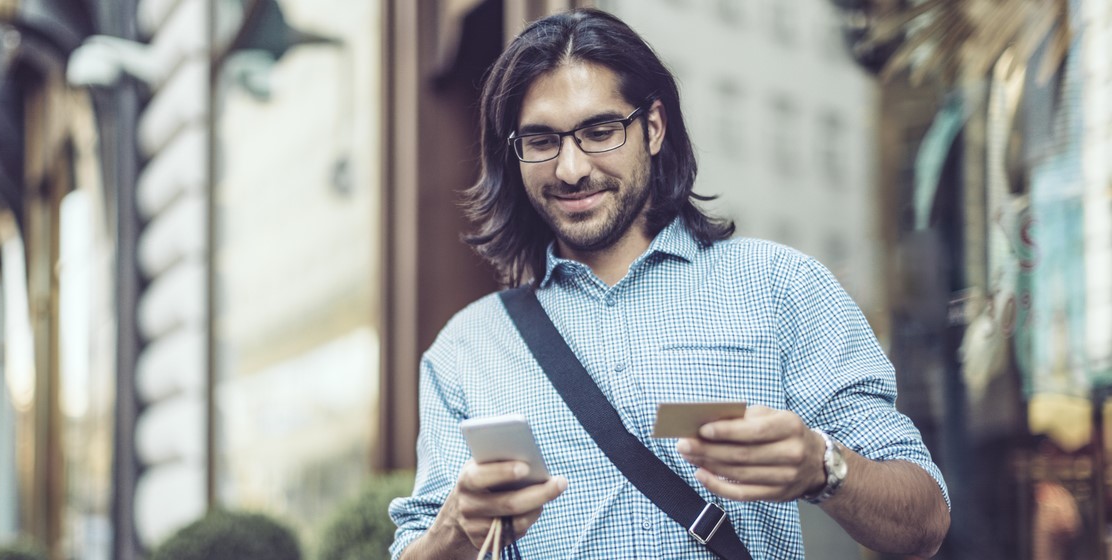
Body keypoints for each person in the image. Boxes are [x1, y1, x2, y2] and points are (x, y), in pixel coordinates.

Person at [389, 8, 950, 559]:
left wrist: (824, 467)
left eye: (600, 131)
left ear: (653, 128)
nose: (570, 168)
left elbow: (925, 522)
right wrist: (452, 536)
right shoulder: (466, 349)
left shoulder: (779, 287)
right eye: (541, 142)